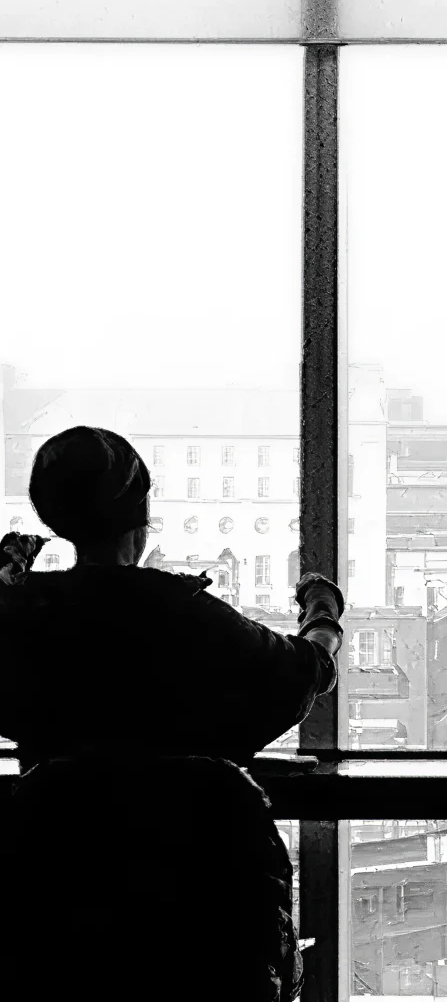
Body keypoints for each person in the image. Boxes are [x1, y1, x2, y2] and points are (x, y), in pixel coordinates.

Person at [0, 425, 342, 1001]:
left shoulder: (25, 618)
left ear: (53, 517)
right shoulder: (193, 618)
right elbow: (307, 672)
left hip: (60, 923)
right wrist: (323, 612)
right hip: (206, 933)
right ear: (144, 512)